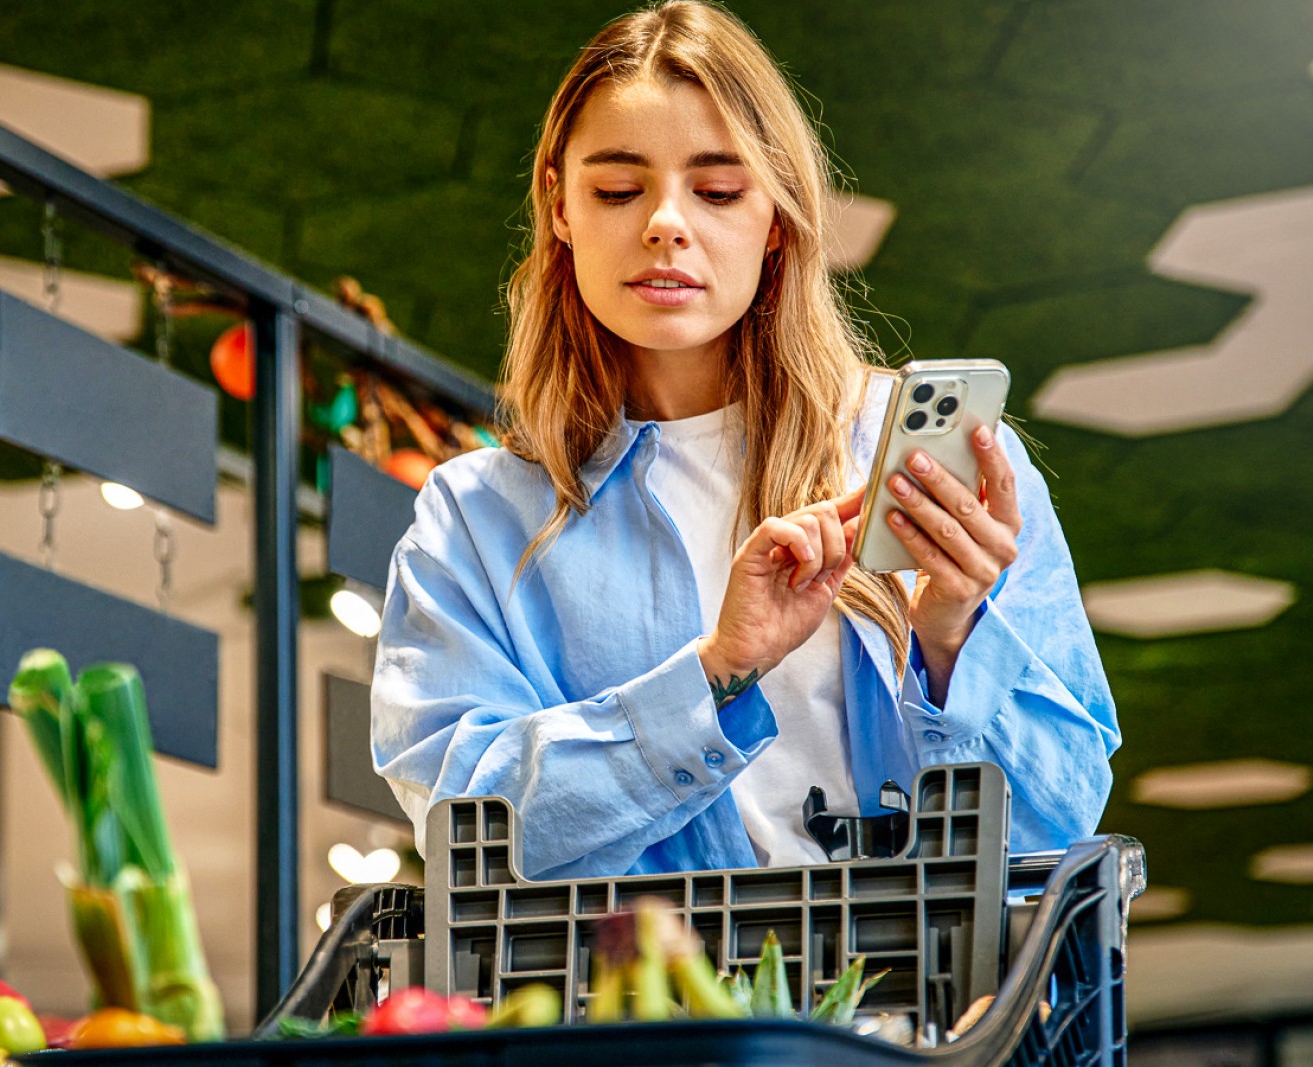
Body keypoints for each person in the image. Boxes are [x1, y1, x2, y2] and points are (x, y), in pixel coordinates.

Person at [370, 0, 1119, 881]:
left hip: (915, 1014)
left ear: (777, 218)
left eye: (719, 190)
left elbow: (1055, 821)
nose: (666, 223)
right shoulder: (477, 521)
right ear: (558, 202)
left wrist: (953, 639)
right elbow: (470, 832)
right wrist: (716, 676)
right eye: (618, 189)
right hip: (647, 1013)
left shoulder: (923, 463)